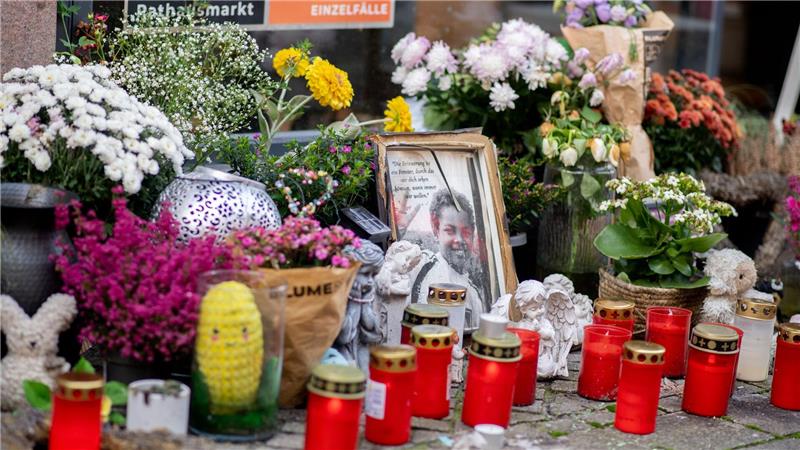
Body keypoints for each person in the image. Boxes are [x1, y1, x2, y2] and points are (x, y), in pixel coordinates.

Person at [410, 188, 485, 328]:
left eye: (466, 232)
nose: (459, 239)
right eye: (450, 231)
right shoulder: (421, 269)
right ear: (435, 230)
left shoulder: (474, 294)